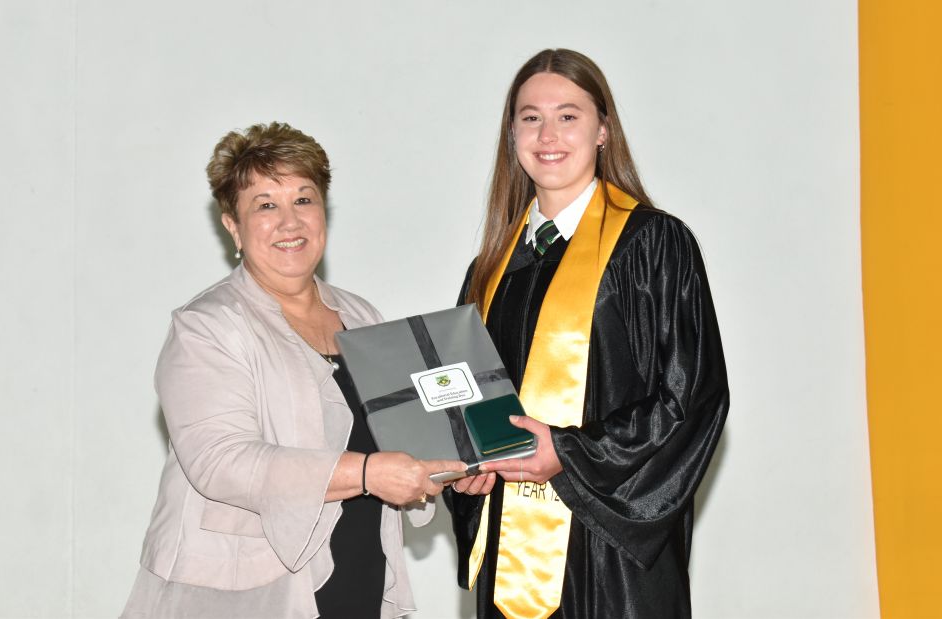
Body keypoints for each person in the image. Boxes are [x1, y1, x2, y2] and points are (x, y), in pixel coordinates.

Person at [121, 122, 465, 619]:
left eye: (304, 199)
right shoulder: (206, 326)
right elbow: (222, 461)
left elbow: (402, 435)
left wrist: (456, 465)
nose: (290, 222)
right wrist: (368, 474)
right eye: (266, 205)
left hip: (359, 577)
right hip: (247, 593)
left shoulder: (362, 316)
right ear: (233, 226)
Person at [445, 49, 730, 619]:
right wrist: (465, 471)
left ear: (603, 130)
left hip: (611, 558)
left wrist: (571, 453)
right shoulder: (490, 270)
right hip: (510, 550)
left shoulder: (652, 245)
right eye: (530, 117)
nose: (547, 135)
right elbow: (470, 403)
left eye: (568, 116)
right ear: (512, 135)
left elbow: (691, 398)